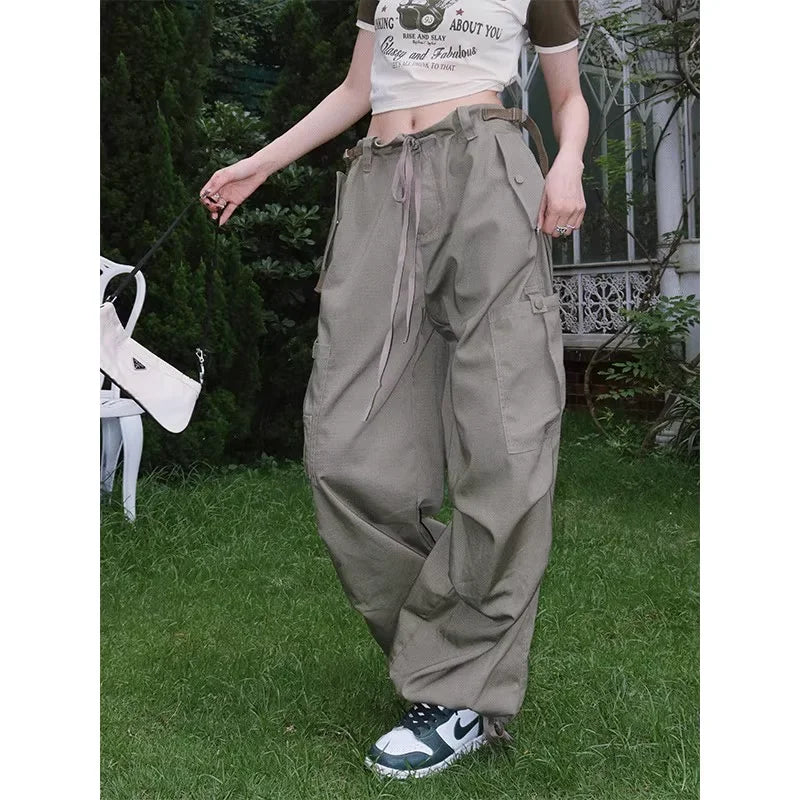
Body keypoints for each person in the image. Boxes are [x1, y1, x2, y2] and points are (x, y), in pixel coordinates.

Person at [201, 0, 587, 780]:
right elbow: (357, 89)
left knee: (506, 441)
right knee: (341, 455)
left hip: (488, 171)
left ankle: (457, 691)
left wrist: (568, 162)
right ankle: (460, 652)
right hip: (380, 182)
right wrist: (262, 163)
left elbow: (569, 95)